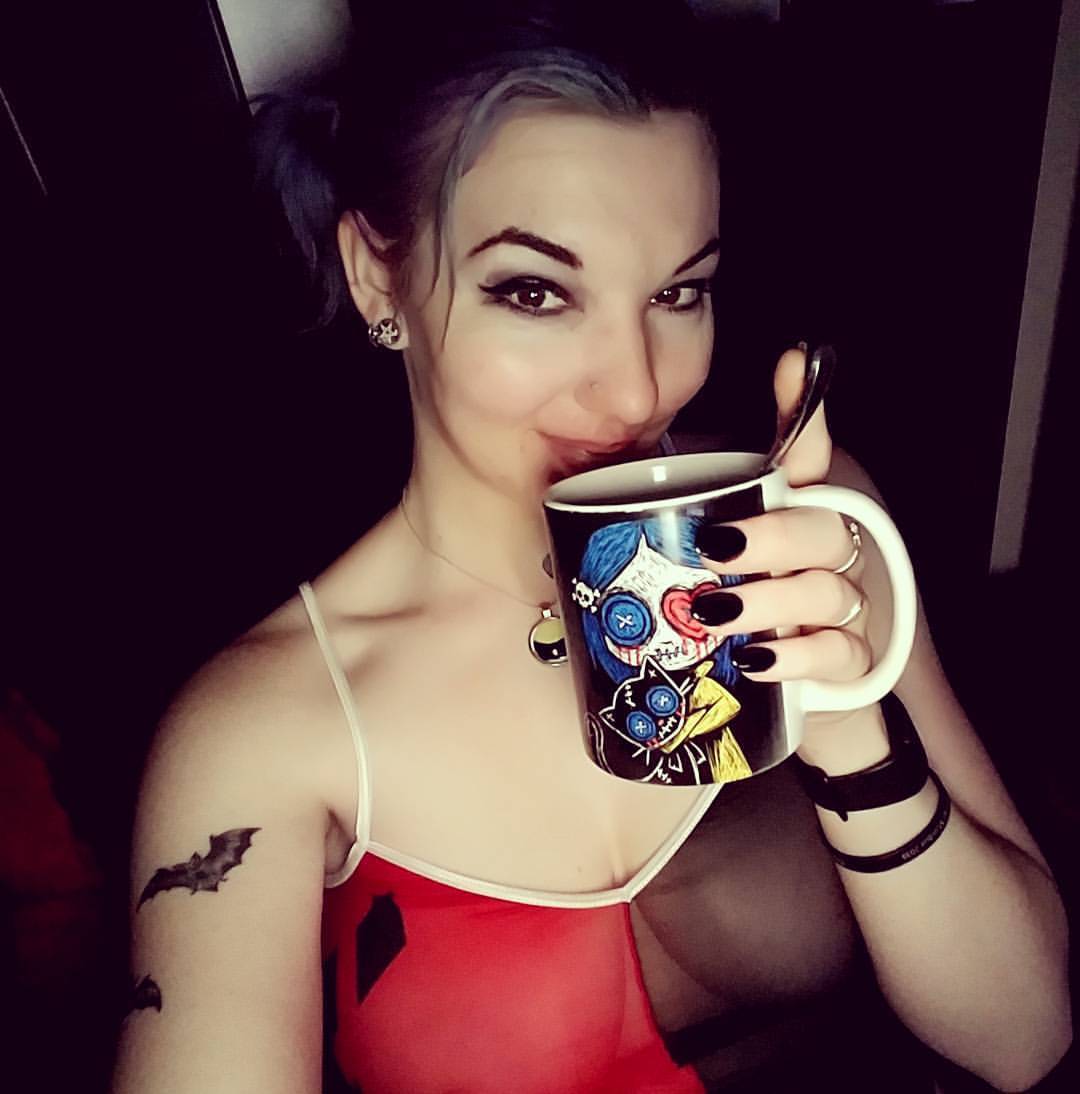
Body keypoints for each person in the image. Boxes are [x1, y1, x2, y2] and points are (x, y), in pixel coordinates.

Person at [111, 2, 1071, 1091]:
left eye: (679, 291)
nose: (635, 390)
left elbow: (1025, 1037)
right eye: (535, 292)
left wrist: (848, 718)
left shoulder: (810, 526)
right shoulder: (259, 729)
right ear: (378, 274)